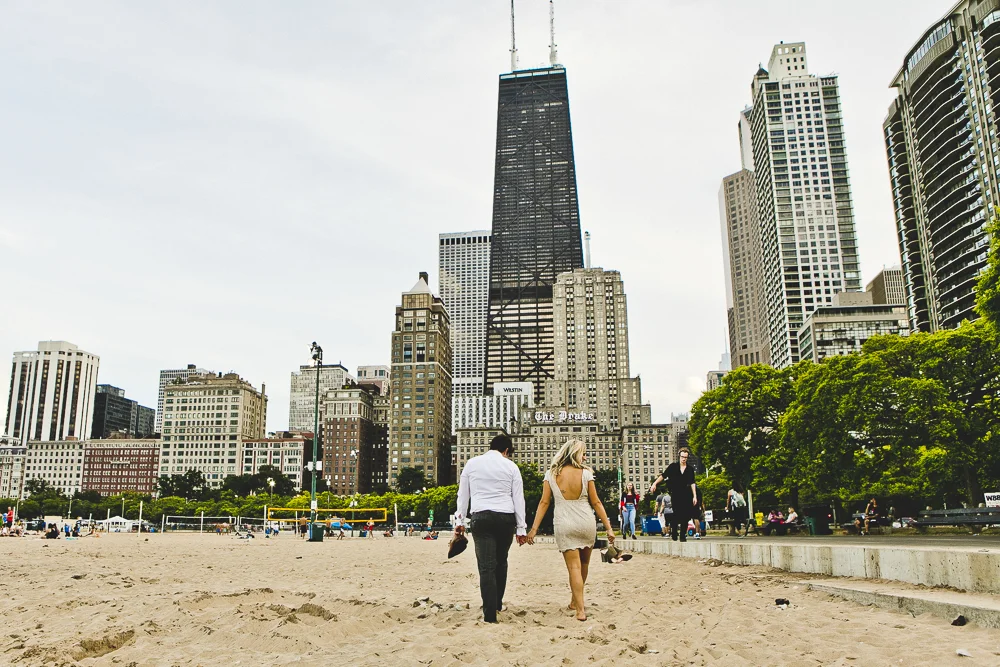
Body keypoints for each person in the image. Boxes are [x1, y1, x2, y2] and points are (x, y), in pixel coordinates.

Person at [526, 439, 616, 622]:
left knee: (573, 568)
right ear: (574, 453)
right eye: (583, 452)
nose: (585, 456)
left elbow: (544, 503)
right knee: (583, 566)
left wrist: (533, 529)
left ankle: (580, 610)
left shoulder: (551, 474)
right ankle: (575, 602)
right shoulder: (586, 474)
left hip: (564, 523)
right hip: (586, 522)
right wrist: (608, 528)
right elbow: (596, 502)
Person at [454, 434, 527, 624]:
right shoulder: (511, 467)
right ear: (506, 451)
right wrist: (521, 529)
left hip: (481, 517)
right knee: (501, 562)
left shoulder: (472, 464)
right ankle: (497, 604)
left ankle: (489, 614)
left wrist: (459, 521)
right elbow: (518, 499)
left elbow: (463, 495)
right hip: (505, 518)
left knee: (486, 566)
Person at [649, 448, 698, 542]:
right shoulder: (673, 467)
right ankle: (674, 531)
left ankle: (683, 535)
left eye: (686, 457)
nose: (684, 459)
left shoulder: (690, 469)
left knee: (686, 515)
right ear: (679, 456)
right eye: (682, 457)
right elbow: (663, 476)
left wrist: (694, 496)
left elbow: (692, 483)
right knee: (676, 513)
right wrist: (654, 484)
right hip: (675, 493)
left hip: (686, 493)